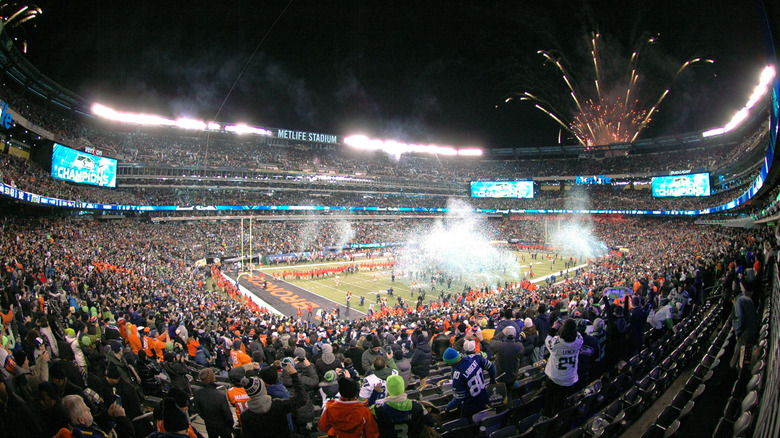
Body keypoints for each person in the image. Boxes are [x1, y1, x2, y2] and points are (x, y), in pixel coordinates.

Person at [240, 362, 307, 438]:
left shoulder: (245, 416)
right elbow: (301, 399)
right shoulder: (278, 405)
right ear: (263, 389)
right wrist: (294, 376)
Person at [318, 374, 380, 438]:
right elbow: (372, 434)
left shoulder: (331, 408)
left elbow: (323, 428)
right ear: (356, 391)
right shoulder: (364, 410)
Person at [543, 319, 583, 417]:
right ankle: (558, 419)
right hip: (569, 378)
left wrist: (554, 328)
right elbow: (574, 333)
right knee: (561, 400)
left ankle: (547, 417)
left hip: (554, 377)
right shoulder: (579, 340)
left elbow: (547, 339)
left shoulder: (557, 343)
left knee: (550, 399)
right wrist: (569, 325)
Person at [443, 346, 496, 417]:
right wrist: (492, 380)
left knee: (470, 424)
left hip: (471, 405)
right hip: (484, 397)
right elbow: (491, 367)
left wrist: (448, 407)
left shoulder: (458, 375)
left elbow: (459, 397)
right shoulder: (475, 357)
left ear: (451, 363)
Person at [57, 393, 135, 438]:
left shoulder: (77, 429)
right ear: (81, 420)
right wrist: (122, 419)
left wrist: (108, 415)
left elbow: (96, 423)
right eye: (86, 410)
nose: (89, 409)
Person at [193, 368, 234, 438]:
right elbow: (227, 414)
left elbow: (198, 410)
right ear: (212, 378)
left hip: (210, 425)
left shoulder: (197, 393)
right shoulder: (220, 395)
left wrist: (207, 419)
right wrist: (230, 424)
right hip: (224, 427)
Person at [731, 289, 757, 368]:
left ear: (734, 298)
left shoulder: (738, 302)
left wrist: (738, 333)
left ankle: (732, 372)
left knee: (737, 352)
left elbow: (740, 318)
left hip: (745, 332)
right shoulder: (748, 298)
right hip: (752, 328)